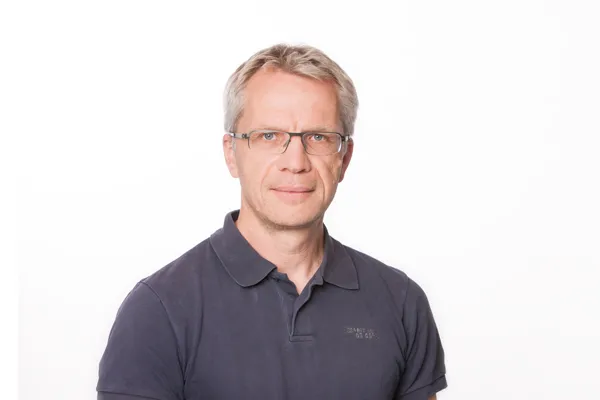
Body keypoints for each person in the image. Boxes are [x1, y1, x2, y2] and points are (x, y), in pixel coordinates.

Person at [97, 43, 447, 400]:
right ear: (231, 153)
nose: (295, 162)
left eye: (318, 137)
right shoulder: (158, 310)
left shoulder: (401, 302)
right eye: (269, 136)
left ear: (344, 159)